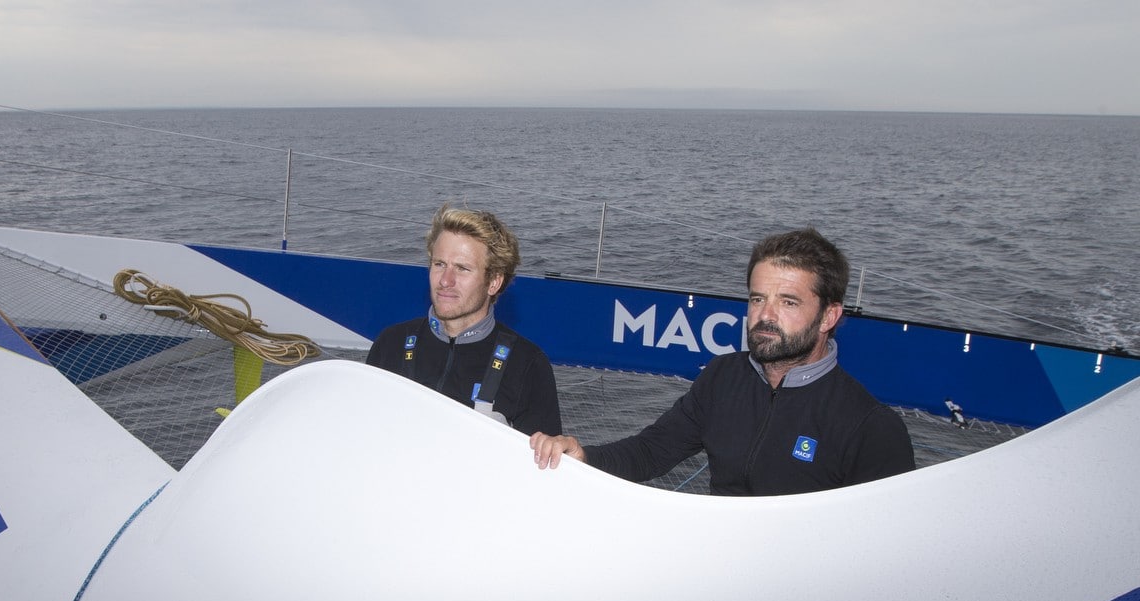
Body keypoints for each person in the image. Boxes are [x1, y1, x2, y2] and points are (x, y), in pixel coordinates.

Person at [529, 228, 914, 495]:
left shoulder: (871, 427)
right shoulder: (723, 377)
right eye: (757, 298)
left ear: (829, 317)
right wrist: (584, 456)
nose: (766, 315)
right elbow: (652, 451)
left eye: (789, 302)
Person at [367, 205, 562, 436]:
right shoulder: (391, 344)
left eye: (462, 269)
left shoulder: (528, 365)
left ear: (494, 282)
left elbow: (540, 469)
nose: (445, 281)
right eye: (439, 264)